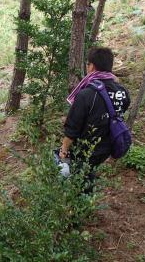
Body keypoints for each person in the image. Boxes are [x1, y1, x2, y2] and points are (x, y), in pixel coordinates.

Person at [59, 47, 130, 192]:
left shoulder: (86, 94)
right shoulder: (122, 91)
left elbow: (72, 129)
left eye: (88, 64)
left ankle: (81, 206)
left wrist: (64, 150)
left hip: (88, 149)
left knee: (80, 178)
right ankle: (87, 195)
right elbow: (121, 108)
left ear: (91, 66)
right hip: (109, 145)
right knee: (88, 172)